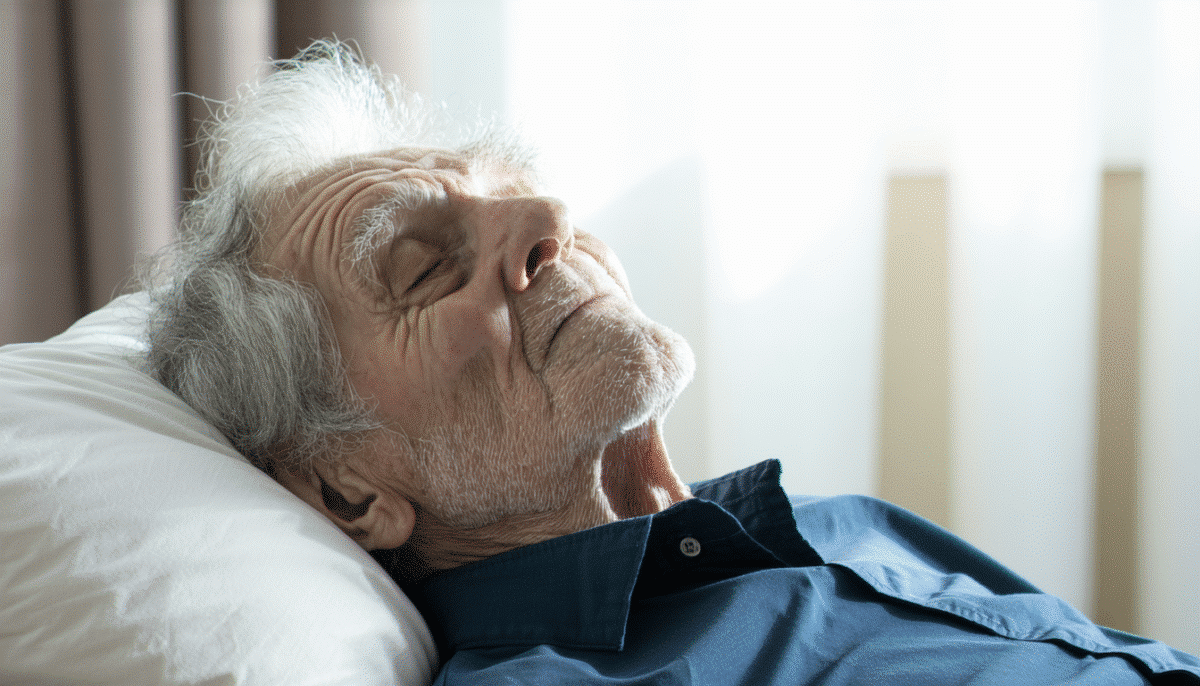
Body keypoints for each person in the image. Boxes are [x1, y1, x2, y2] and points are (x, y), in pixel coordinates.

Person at [145, 41, 1200, 685]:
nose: (550, 217)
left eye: (517, 188)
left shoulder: (833, 522)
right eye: (425, 266)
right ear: (347, 489)